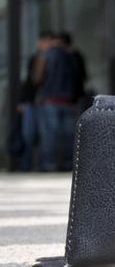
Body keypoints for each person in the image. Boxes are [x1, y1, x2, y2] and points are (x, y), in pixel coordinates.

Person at [33, 33, 78, 172]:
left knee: (49, 134)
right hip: (68, 100)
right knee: (69, 134)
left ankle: (50, 163)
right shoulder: (71, 55)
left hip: (50, 99)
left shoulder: (45, 55)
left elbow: (38, 78)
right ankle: (69, 163)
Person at [16, 32, 55, 171]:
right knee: (29, 135)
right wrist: (22, 100)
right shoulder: (37, 58)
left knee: (42, 136)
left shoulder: (52, 59)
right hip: (33, 102)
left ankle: (41, 164)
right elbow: (31, 81)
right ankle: (27, 165)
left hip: (45, 102)